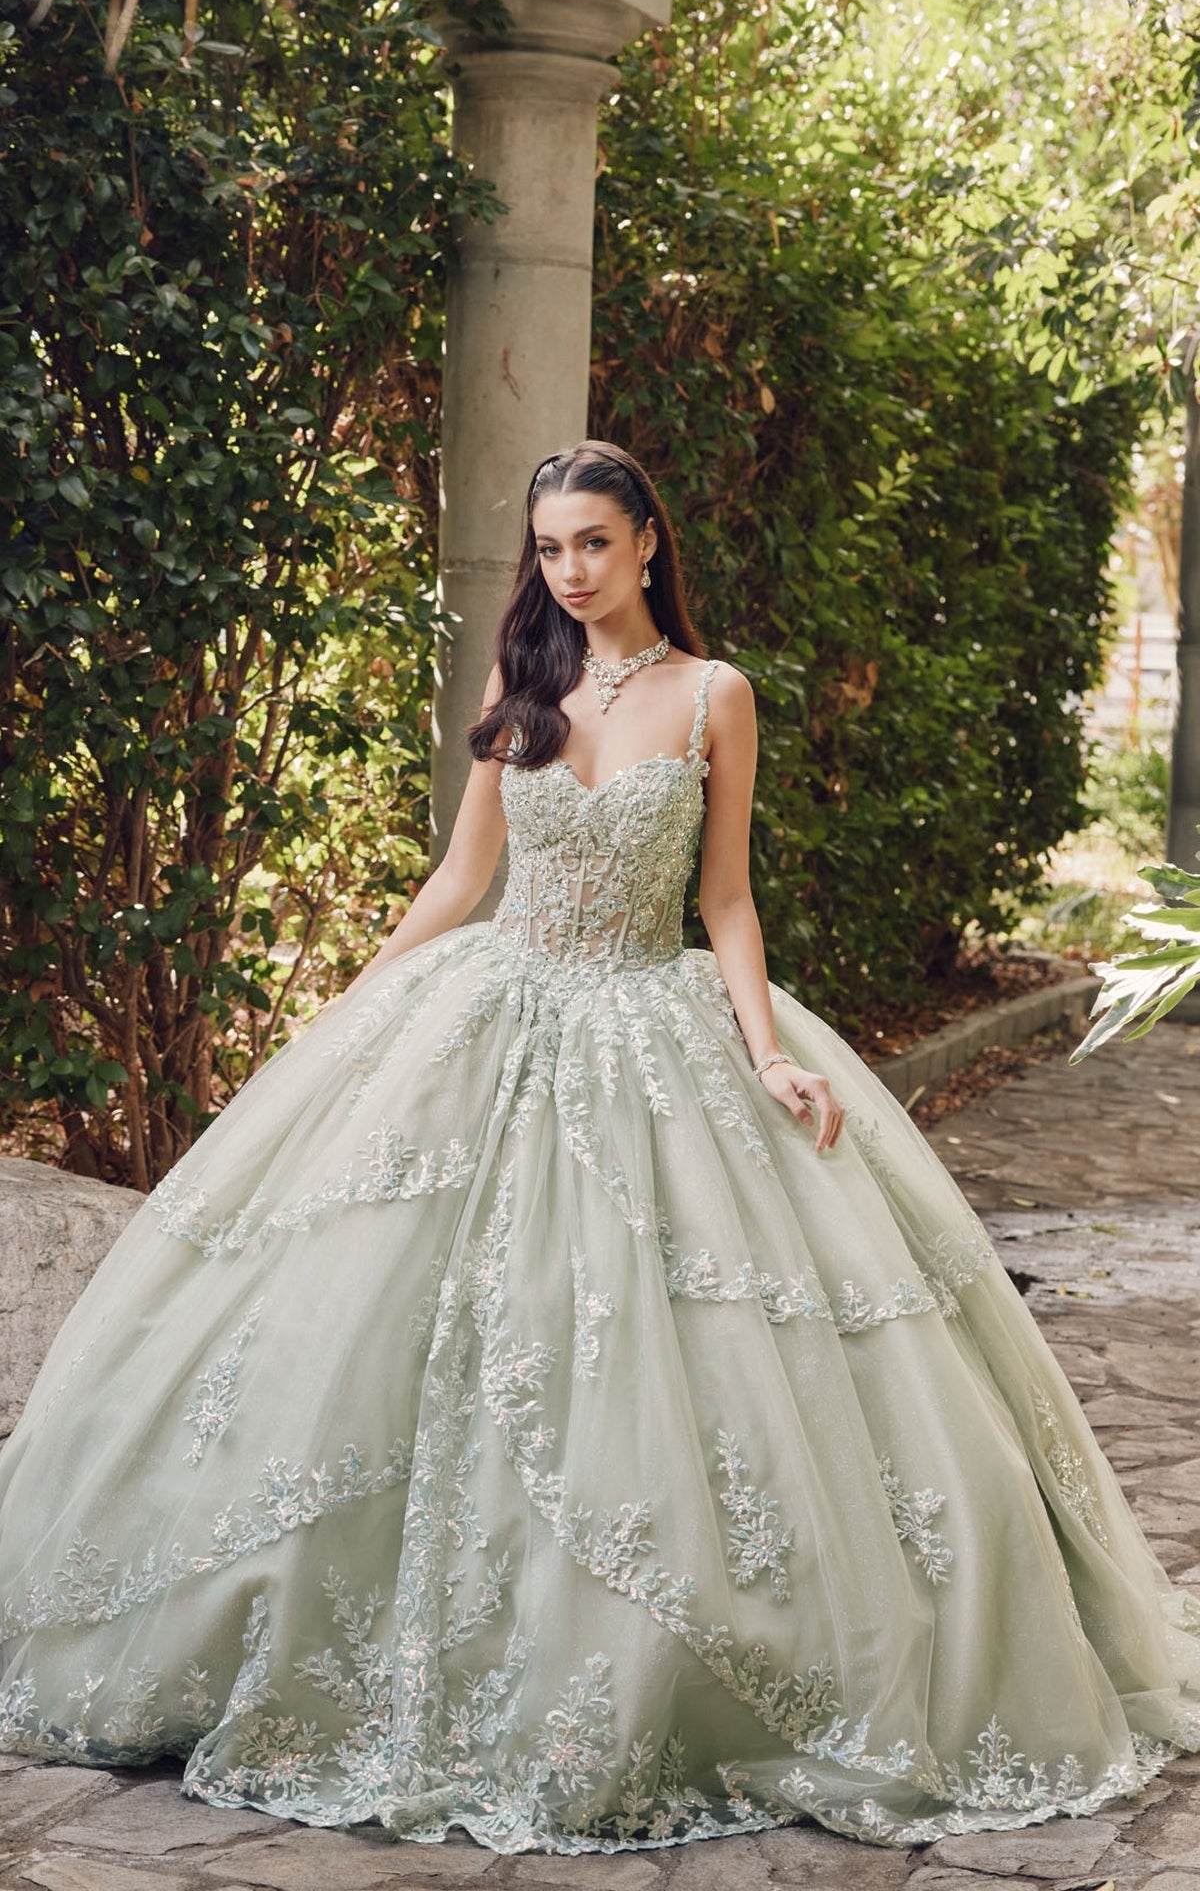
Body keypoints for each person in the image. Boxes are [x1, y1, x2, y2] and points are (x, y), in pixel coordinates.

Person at [1, 440, 1198, 1856]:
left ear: (646, 545)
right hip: (491, 1015)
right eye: (549, 549)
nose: (568, 571)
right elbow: (463, 879)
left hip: (652, 1018)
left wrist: (766, 1054)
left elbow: (729, 901)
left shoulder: (715, 696)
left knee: (663, 1346)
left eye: (592, 544)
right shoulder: (528, 696)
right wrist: (357, 1007)